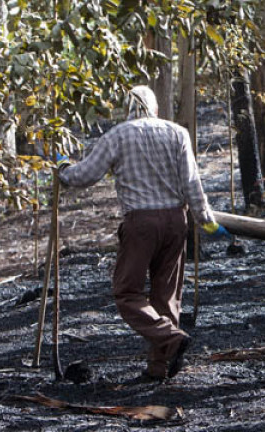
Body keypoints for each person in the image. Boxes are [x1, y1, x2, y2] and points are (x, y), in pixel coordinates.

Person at [58, 85, 228, 380]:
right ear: (156, 108)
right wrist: (206, 220)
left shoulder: (118, 135)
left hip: (141, 224)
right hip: (177, 221)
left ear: (127, 109)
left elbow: (84, 176)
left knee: (126, 292)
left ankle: (171, 338)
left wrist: (62, 169)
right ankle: (159, 367)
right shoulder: (177, 133)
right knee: (167, 295)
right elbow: (191, 182)